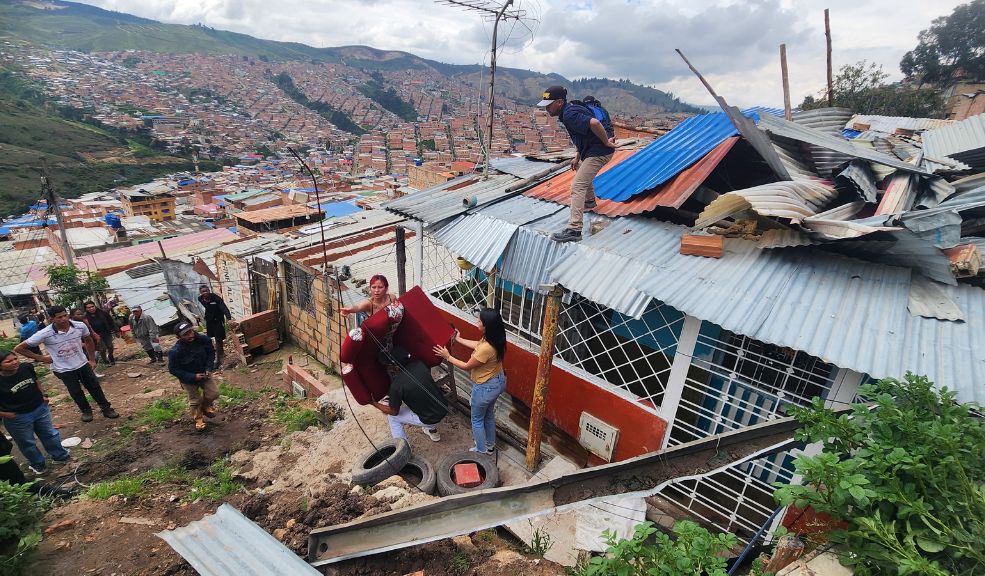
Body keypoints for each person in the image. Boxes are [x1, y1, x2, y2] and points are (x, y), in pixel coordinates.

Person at [537, 85, 618, 243]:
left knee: (577, 186)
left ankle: (574, 229)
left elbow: (594, 123)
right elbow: (585, 136)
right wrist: (577, 156)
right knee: (581, 167)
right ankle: (589, 201)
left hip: (599, 152)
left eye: (549, 104)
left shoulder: (569, 114)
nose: (547, 108)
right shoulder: (571, 109)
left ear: (559, 102)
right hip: (592, 150)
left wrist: (606, 143)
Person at [14, 306, 119, 423]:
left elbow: (88, 340)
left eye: (65, 315)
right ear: (52, 318)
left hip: (82, 364)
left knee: (95, 387)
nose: (64, 319)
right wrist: (41, 358)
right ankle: (86, 411)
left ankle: (106, 408)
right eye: (59, 317)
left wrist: (92, 359)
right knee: (75, 391)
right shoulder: (45, 333)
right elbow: (19, 348)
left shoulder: (79, 326)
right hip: (63, 369)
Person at [433, 308, 507, 454]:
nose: (477, 322)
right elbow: (478, 345)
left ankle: (481, 450)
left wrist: (447, 356)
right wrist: (459, 339)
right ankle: (490, 445)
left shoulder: (486, 347)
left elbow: (466, 366)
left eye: (480, 320)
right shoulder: (495, 337)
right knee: (488, 415)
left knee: (477, 420)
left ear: (487, 326)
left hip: (486, 388)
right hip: (498, 381)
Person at [0, 350, 71, 475]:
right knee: (27, 442)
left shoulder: (26, 367)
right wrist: (6, 414)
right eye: (9, 361)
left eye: (15, 359)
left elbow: (36, 380)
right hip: (17, 417)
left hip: (39, 408)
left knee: (50, 434)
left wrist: (43, 395)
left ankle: (60, 455)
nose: (14, 362)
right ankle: (39, 464)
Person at [372, 346, 447, 442]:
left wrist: (373, 403)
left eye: (388, 366)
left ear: (395, 367)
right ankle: (433, 431)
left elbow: (394, 412)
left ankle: (403, 448)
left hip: (431, 418)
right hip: (443, 407)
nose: (388, 368)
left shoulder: (396, 386)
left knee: (393, 418)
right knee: (417, 398)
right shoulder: (420, 364)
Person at [167, 321, 218, 431]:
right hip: (188, 379)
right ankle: (198, 418)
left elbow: (211, 353)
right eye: (186, 334)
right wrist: (193, 377)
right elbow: (173, 369)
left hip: (205, 374)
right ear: (178, 337)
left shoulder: (204, 340)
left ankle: (205, 406)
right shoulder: (175, 352)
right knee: (195, 400)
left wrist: (209, 368)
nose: (190, 335)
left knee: (213, 393)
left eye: (191, 332)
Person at [197, 285, 232, 367]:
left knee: (218, 339)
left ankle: (219, 358)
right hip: (209, 321)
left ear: (209, 290)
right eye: (203, 291)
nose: (205, 292)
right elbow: (207, 307)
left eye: (207, 290)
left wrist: (229, 318)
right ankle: (220, 352)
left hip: (218, 321)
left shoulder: (216, 298)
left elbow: (223, 308)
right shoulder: (200, 299)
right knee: (211, 337)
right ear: (201, 293)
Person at [85, 300, 119, 365]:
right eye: (89, 307)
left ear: (95, 306)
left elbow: (111, 321)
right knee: (102, 349)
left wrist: (116, 330)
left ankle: (111, 356)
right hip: (96, 335)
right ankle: (105, 360)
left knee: (110, 346)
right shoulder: (85, 317)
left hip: (106, 332)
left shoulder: (103, 313)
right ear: (86, 309)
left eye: (92, 306)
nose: (91, 308)